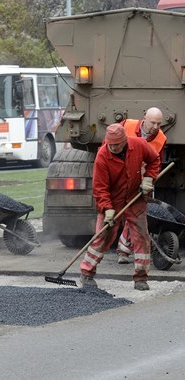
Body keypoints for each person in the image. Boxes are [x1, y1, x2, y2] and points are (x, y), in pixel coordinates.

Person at [80, 123, 160, 291]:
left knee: (141, 237)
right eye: (111, 144)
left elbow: (154, 160)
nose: (114, 147)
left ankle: (141, 278)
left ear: (125, 141)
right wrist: (107, 209)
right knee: (103, 236)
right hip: (112, 201)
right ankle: (87, 273)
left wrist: (148, 178)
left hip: (135, 197)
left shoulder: (138, 145)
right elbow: (100, 188)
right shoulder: (102, 156)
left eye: (117, 144)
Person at [116, 107, 167, 264]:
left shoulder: (160, 138)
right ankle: (121, 248)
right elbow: (109, 146)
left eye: (159, 124)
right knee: (115, 214)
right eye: (153, 123)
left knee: (136, 214)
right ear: (144, 118)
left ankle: (123, 249)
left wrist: (149, 180)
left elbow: (156, 162)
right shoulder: (126, 125)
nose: (156, 127)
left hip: (140, 181)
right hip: (119, 177)